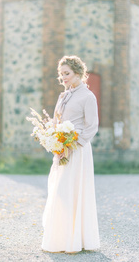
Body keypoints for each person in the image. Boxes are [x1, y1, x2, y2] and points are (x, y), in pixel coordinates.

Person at [41, 55, 100, 253]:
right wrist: (53, 138)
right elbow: (58, 121)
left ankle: (77, 240)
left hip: (78, 150)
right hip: (62, 149)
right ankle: (61, 239)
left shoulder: (87, 96)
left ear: (78, 73)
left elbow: (92, 126)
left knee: (74, 191)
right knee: (60, 191)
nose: (63, 78)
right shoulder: (63, 96)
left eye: (66, 74)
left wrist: (74, 142)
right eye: (61, 74)